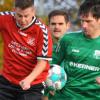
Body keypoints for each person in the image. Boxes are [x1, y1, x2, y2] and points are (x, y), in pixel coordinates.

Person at [0, 0, 52, 100]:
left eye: (26, 16)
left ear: (33, 12)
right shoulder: (5, 18)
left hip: (32, 84)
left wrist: (28, 79)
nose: (23, 20)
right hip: (7, 80)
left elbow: (42, 63)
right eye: (19, 16)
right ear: (14, 10)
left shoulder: (42, 31)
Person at [49, 0, 100, 99]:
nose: (84, 25)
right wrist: (48, 89)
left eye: (88, 21)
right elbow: (50, 66)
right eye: (82, 21)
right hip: (63, 96)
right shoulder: (68, 39)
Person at [42, 9, 70, 100]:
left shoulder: (75, 48)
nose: (56, 27)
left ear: (68, 25)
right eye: (53, 24)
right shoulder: (41, 48)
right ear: (48, 26)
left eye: (60, 24)